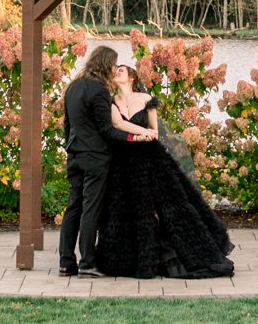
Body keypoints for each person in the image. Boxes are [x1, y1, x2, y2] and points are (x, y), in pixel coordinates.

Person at [94, 63, 235, 279]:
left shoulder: (146, 99)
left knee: (170, 205)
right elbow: (118, 125)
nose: (117, 73)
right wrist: (142, 132)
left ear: (131, 77)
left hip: (151, 158)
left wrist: (146, 134)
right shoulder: (113, 103)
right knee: (128, 210)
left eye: (121, 70)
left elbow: (155, 131)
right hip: (124, 162)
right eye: (115, 71)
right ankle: (137, 260)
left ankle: (181, 254)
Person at [59, 44, 124, 277]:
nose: (116, 69)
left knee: (73, 207)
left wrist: (71, 148)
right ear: (106, 64)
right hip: (95, 157)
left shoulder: (73, 87)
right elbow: (106, 130)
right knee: (90, 208)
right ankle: (87, 262)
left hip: (74, 154)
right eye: (114, 64)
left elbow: (68, 125)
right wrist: (132, 136)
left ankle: (66, 262)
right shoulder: (99, 91)